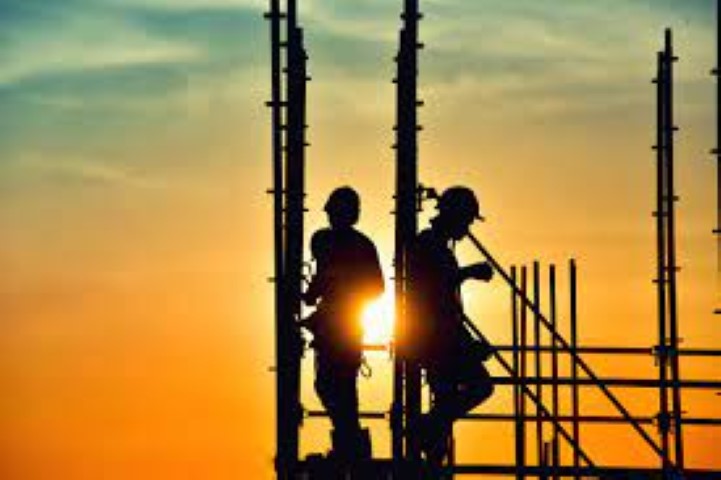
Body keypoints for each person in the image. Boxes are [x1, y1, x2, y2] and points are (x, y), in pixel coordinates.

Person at [407, 186, 496, 464]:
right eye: (466, 220)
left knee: (447, 402)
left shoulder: (438, 248)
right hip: (435, 341)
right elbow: (433, 287)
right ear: (454, 216)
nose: (467, 228)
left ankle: (430, 433)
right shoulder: (427, 244)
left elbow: (448, 309)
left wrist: (470, 345)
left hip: (444, 339)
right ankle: (427, 428)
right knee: (479, 386)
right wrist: (469, 272)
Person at [302, 186, 384, 464]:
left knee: (335, 387)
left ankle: (351, 447)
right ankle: (350, 444)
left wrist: (338, 294)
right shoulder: (341, 243)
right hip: (338, 327)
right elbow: (322, 279)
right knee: (336, 388)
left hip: (343, 327)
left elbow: (375, 288)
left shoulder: (349, 244)